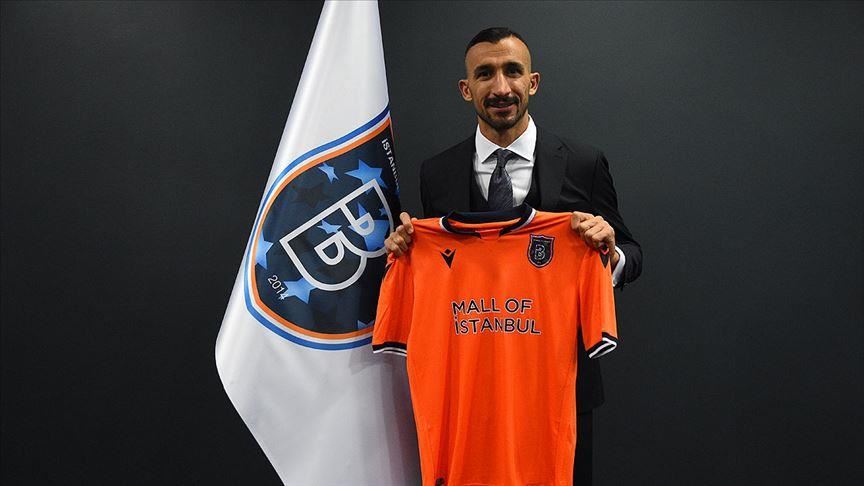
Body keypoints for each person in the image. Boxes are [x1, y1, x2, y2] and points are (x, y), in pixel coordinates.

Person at [384, 27, 642, 485]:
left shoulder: (583, 162)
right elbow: (443, 264)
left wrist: (609, 253)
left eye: (512, 71)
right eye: (485, 74)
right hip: (470, 384)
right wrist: (406, 247)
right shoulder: (437, 172)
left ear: (533, 82)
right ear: (466, 89)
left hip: (559, 385)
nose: (501, 87)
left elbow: (632, 253)